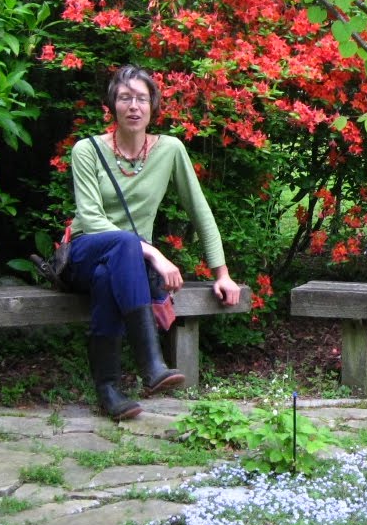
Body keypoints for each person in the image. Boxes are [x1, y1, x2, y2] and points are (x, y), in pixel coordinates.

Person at [69, 65, 244, 420]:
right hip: (85, 252)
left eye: (141, 98)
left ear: (153, 106)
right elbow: (90, 219)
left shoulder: (170, 150)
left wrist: (222, 273)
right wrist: (152, 252)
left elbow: (200, 211)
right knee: (123, 247)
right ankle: (152, 364)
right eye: (124, 98)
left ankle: (109, 391)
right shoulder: (86, 151)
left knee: (111, 276)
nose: (133, 106)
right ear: (112, 105)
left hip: (124, 265)